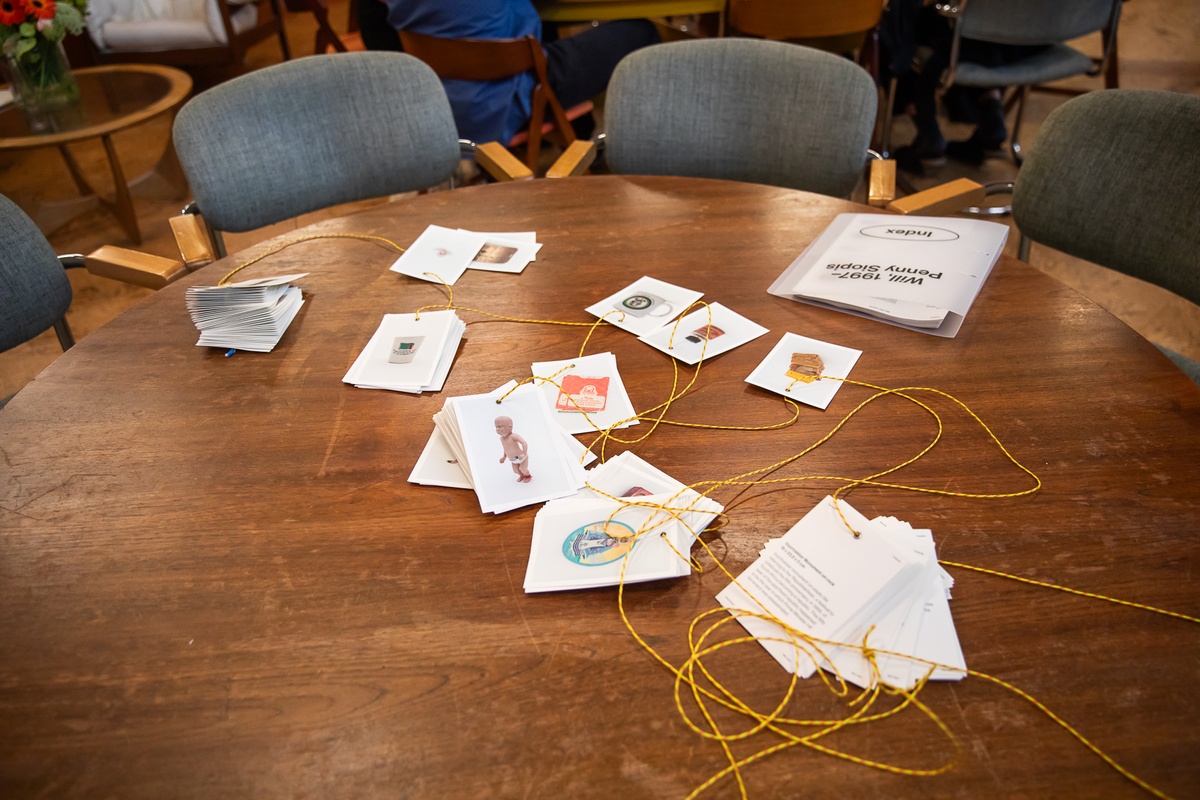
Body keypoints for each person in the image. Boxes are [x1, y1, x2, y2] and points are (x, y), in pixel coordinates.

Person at [384, 0, 659, 145]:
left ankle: (578, 135)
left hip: (435, 101)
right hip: (507, 99)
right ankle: (646, 153)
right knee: (640, 31)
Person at [882, 3, 1049, 172]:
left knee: (893, 21)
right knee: (995, 18)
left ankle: (927, 130)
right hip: (1035, 41)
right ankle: (991, 110)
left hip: (958, 45)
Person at [495, 415, 532, 483]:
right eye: (496, 427)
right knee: (516, 471)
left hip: (522, 457)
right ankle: (522, 475)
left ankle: (528, 475)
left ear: (510, 427)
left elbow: (524, 443)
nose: (498, 429)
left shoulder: (513, 436)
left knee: (523, 469)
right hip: (513, 459)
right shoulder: (502, 439)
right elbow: (506, 449)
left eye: (500, 426)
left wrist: (524, 453)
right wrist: (504, 457)